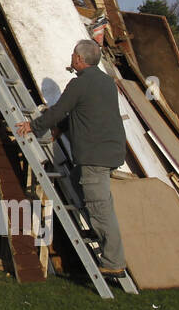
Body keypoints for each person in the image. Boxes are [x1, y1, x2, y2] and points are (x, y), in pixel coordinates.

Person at [15, 39, 128, 278]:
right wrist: (61, 129)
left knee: (100, 208)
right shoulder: (107, 83)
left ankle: (113, 262)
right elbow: (85, 111)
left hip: (94, 155)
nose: (71, 59)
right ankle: (110, 253)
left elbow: (59, 110)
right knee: (84, 189)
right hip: (110, 151)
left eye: (73, 55)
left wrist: (33, 126)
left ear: (79, 59)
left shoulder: (79, 84)